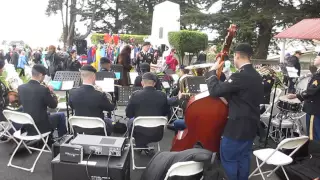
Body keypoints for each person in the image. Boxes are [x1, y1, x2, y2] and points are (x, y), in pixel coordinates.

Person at [205, 43, 264, 180]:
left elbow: (214, 91)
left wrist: (212, 72)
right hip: (251, 125)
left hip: (237, 127)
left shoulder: (240, 76)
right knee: (243, 159)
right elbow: (242, 94)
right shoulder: (256, 76)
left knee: (229, 159)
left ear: (237, 56)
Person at [18, 65, 67, 137]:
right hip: (41, 127)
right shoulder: (43, 89)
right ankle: (62, 139)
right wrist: (51, 93)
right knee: (61, 115)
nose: (44, 78)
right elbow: (53, 105)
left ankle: (50, 138)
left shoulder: (21, 87)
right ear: (41, 75)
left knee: (47, 113)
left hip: (27, 125)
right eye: (44, 76)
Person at [126, 72, 170, 150]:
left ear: (142, 83)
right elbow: (166, 112)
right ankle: (143, 145)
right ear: (154, 83)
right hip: (157, 133)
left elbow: (128, 114)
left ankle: (140, 145)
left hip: (139, 132)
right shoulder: (162, 95)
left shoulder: (135, 95)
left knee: (130, 121)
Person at [69, 65, 115, 136]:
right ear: (93, 77)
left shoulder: (72, 92)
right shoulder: (99, 94)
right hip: (97, 130)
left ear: (81, 77)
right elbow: (111, 107)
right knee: (110, 122)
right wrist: (103, 93)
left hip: (78, 128)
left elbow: (72, 106)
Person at [287, 53, 320, 141]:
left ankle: (314, 154)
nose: (315, 58)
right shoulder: (317, 72)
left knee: (313, 134)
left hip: (315, 108)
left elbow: (311, 91)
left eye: (317, 57)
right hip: (315, 107)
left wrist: (296, 95)